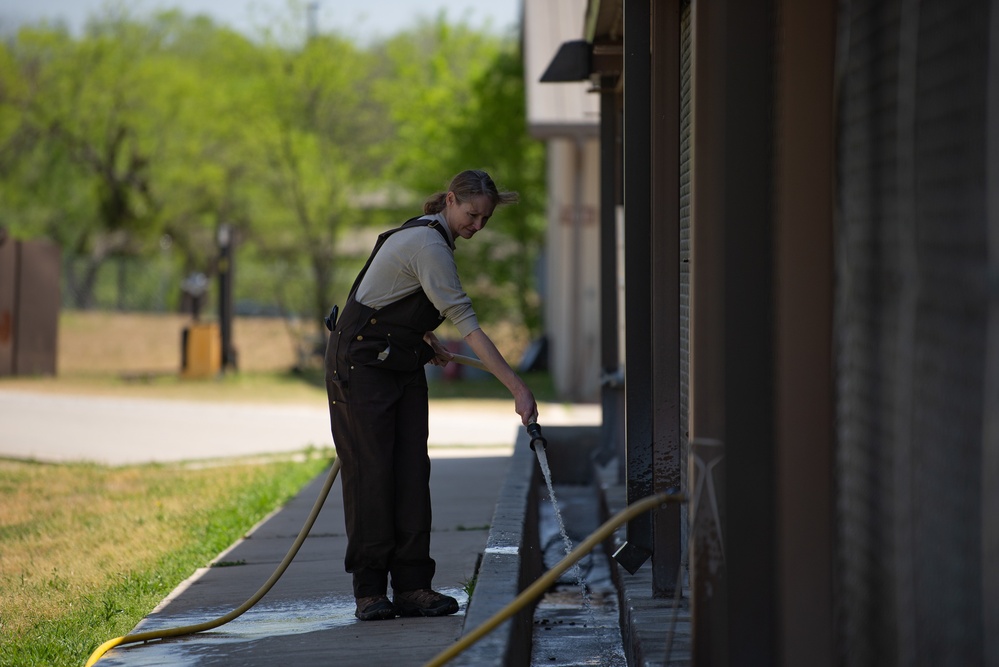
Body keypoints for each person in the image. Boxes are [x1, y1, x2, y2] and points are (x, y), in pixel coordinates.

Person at [324, 169, 538, 621]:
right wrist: (518, 388)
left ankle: (413, 587)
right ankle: (369, 591)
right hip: (360, 368)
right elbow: (469, 326)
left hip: (400, 362)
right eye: (472, 214)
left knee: (411, 475)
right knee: (372, 477)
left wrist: (421, 336)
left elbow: (397, 299)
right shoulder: (427, 244)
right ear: (450, 200)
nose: (477, 226)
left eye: (485, 219)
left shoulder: (435, 241)